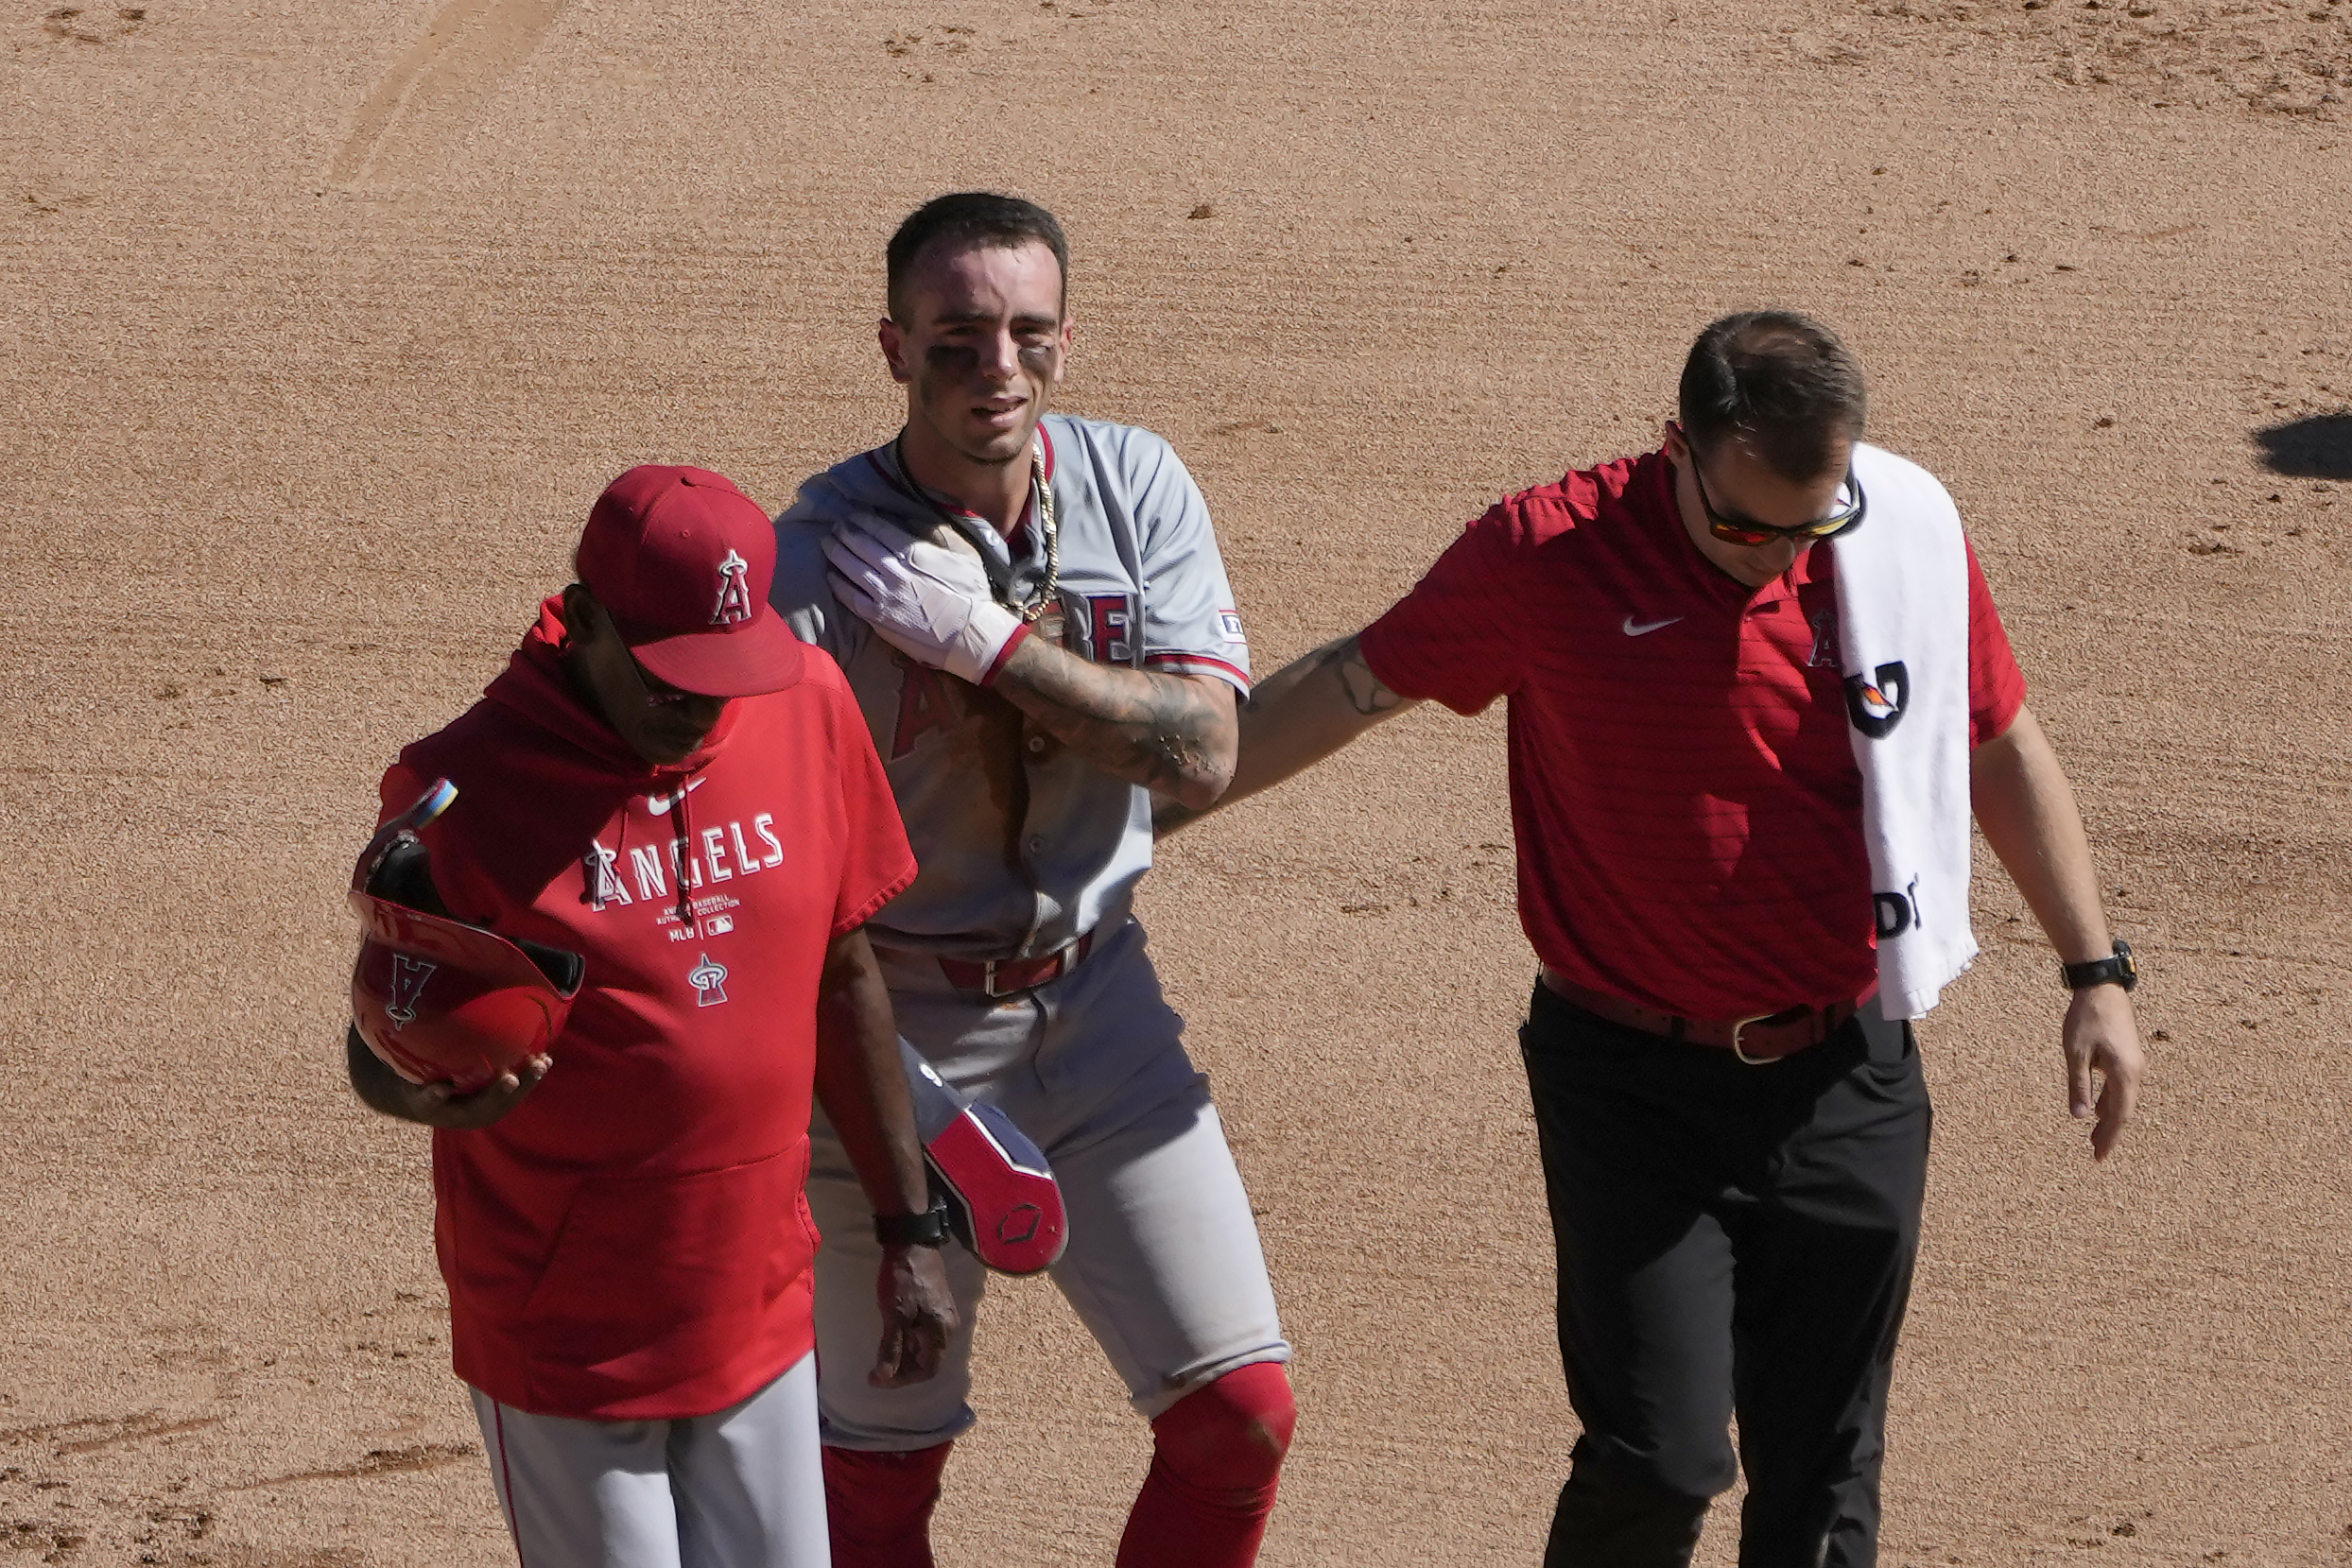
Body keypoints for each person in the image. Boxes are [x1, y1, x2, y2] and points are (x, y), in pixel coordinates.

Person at [1170, 311, 2148, 1567]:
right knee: (1661, 1454)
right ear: (1672, 445)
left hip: (1844, 1067)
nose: (1775, 559)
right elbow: (1354, 683)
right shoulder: (1549, 556)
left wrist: (2094, 970)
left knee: (1827, 1472)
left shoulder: (1897, 542)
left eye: (1810, 523)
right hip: (1629, 1078)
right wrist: (1148, 811)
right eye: (1744, 525)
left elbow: (1998, 735)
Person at [768, 192, 1295, 1568]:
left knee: (1238, 1413)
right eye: (954, 337)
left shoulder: (1134, 482)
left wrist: (992, 651)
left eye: (1025, 331)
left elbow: (1203, 751)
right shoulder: (815, 562)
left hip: (1102, 1008)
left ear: (1066, 338)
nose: (994, 365)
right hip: (893, 1038)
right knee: (879, 1472)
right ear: (892, 348)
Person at [344, 463, 957, 1568]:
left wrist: (909, 1227)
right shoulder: (466, 791)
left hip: (755, 1297)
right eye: (669, 678)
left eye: (723, 674)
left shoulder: (804, 707)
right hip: (567, 1329)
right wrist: (432, 1089)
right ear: (582, 621)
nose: (701, 704)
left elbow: (843, 971)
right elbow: (379, 1044)